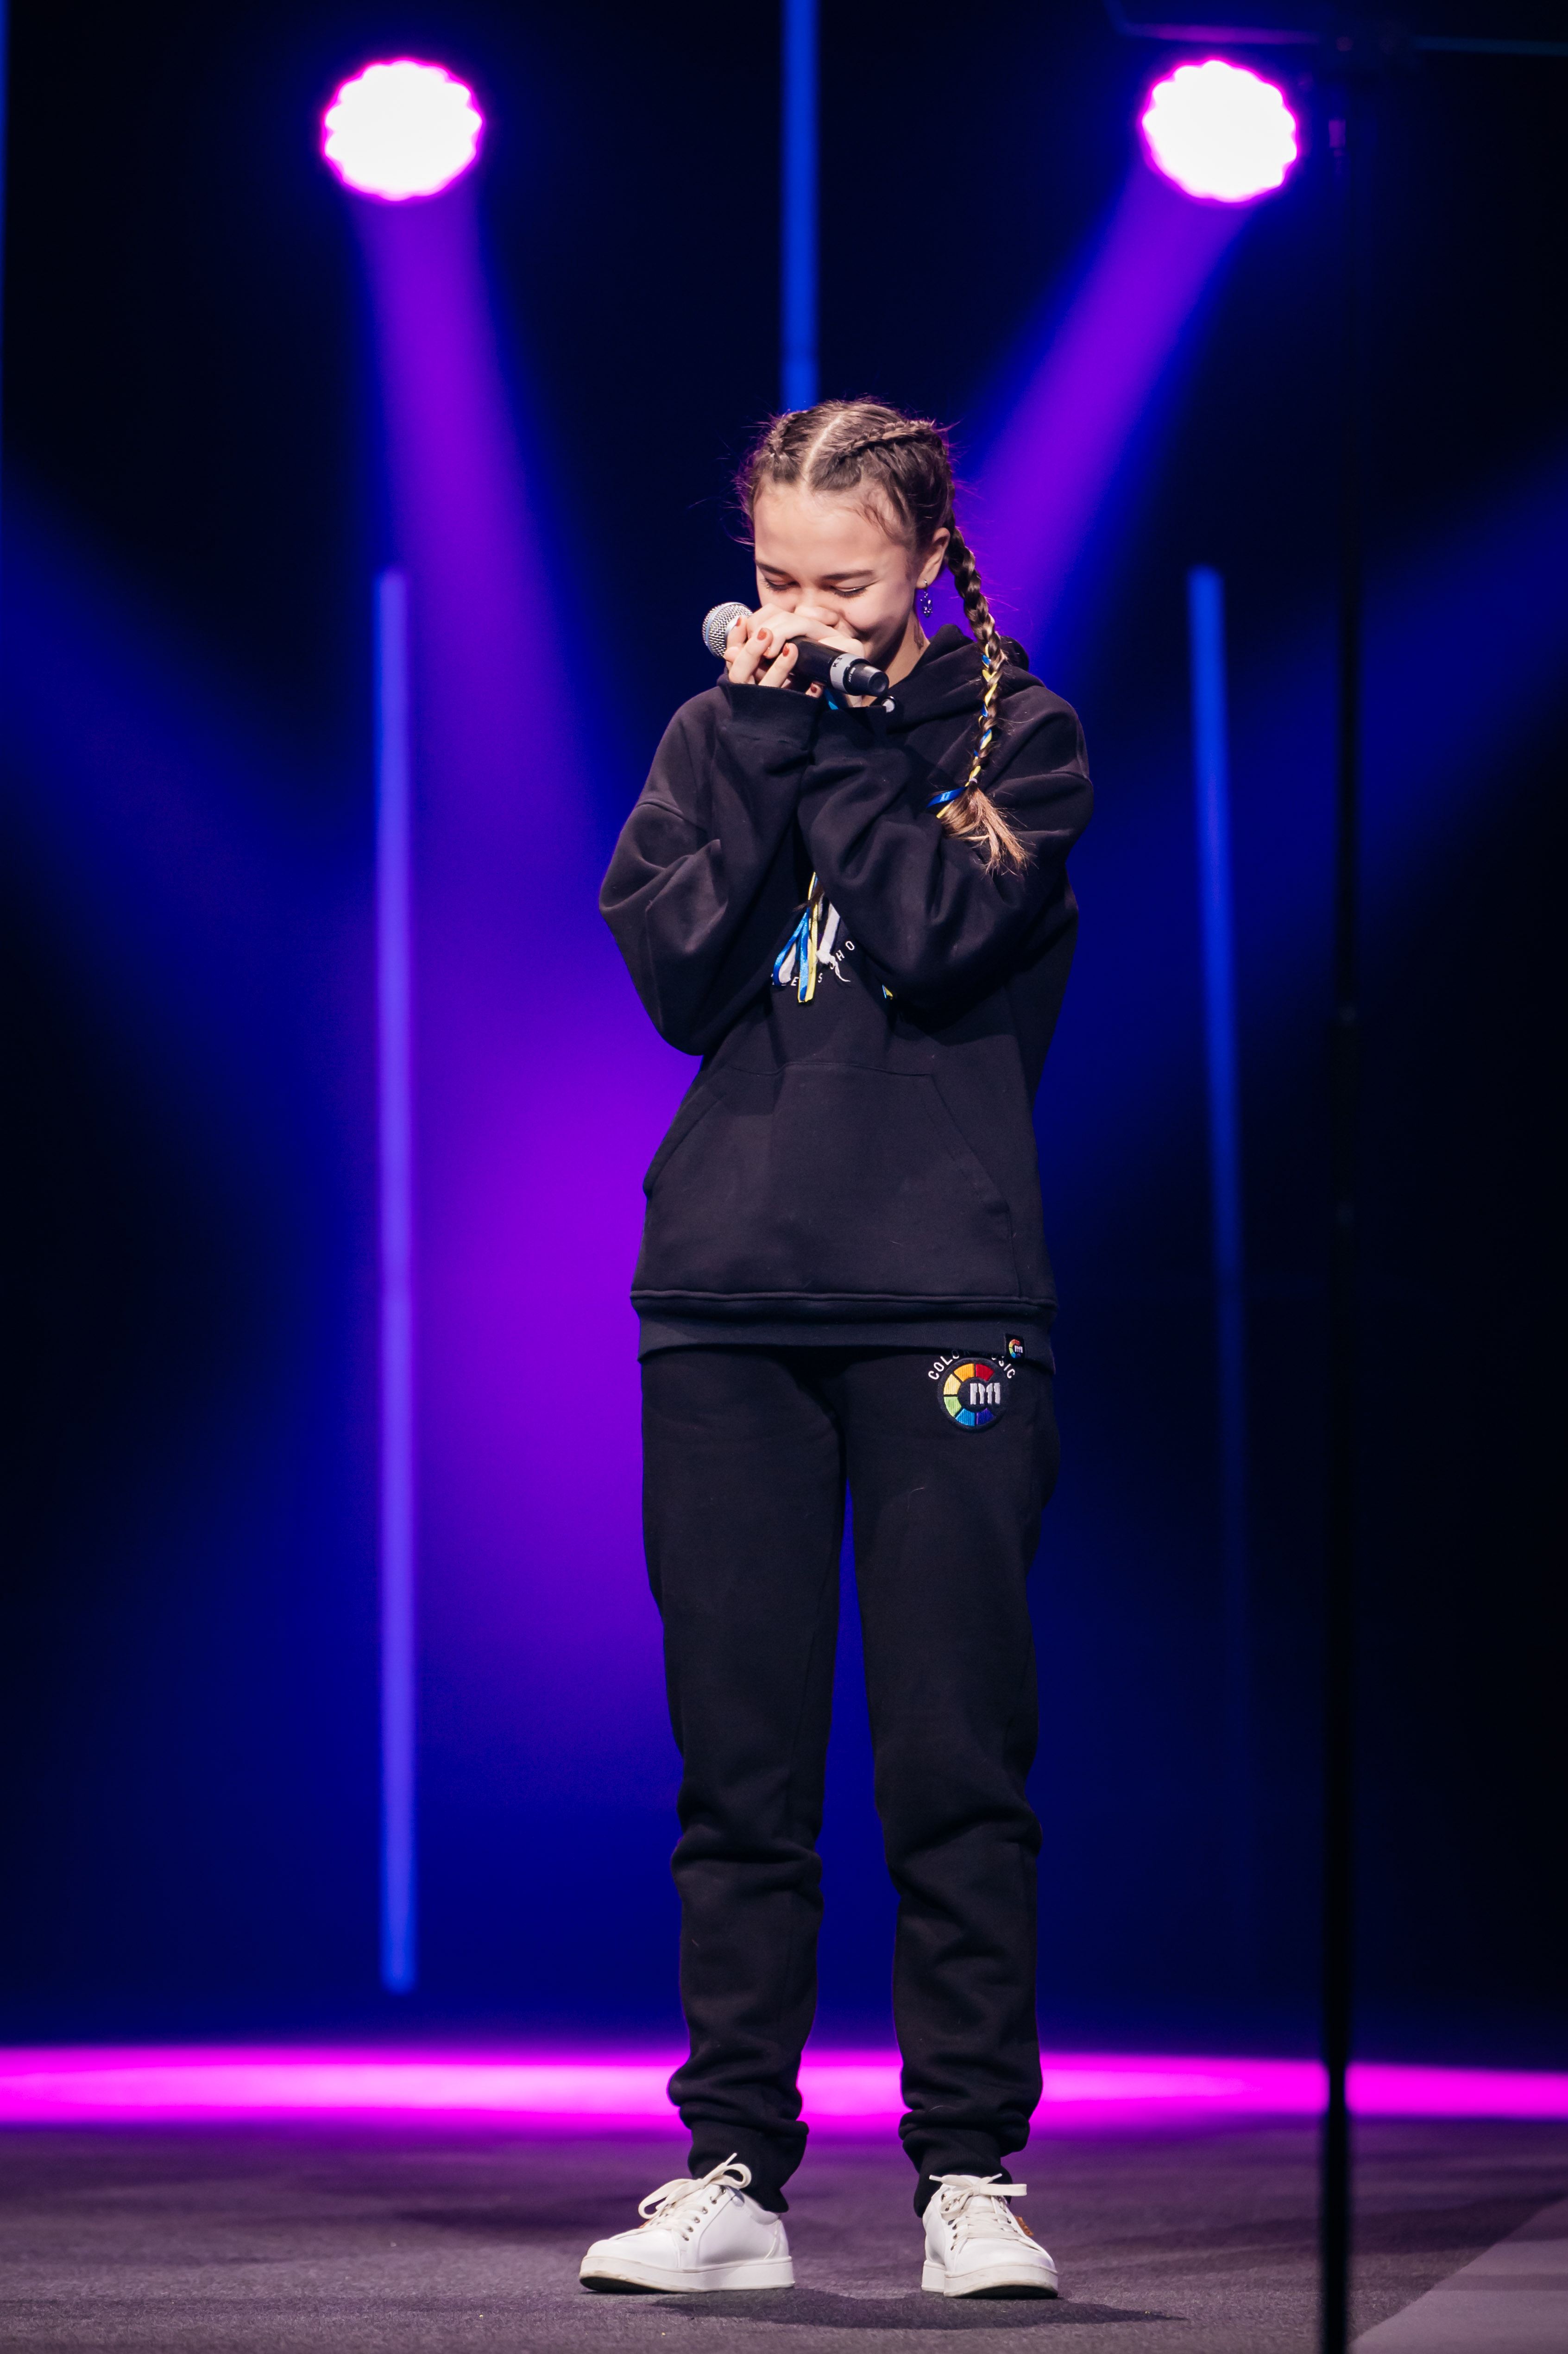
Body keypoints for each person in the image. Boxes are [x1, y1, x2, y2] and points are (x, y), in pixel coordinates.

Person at [580, 399, 1093, 2300]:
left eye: (847, 584)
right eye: (775, 577)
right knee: (740, 1770)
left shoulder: (1014, 735)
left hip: (946, 1298)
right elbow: (678, 977)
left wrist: (851, 737)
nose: (802, 612)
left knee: (954, 1758)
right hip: (725, 1297)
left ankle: (970, 2173)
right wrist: (773, 733)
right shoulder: (717, 733)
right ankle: (729, 2167)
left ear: (928, 561)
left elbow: (937, 924)